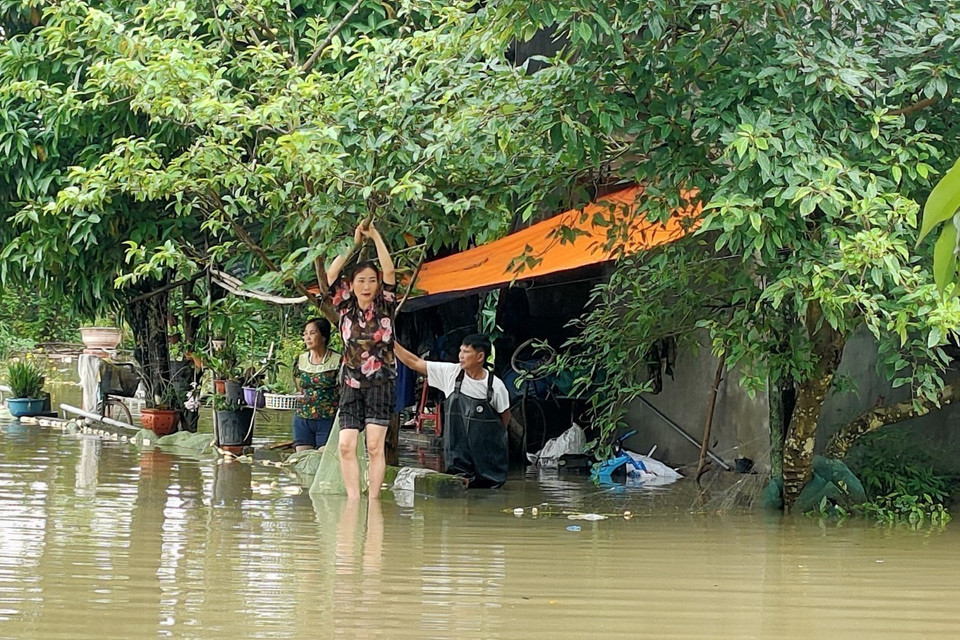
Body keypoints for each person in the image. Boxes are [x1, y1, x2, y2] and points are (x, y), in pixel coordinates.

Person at [325, 222, 397, 501]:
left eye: (371, 280)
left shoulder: (385, 304)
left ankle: (374, 502)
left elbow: (389, 271)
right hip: (351, 383)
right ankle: (354, 500)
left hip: (381, 382)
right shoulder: (344, 306)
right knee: (346, 445)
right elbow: (330, 275)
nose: (366, 286)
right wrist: (354, 244)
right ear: (352, 285)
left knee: (374, 446)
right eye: (360, 281)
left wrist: (375, 236)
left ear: (378, 285)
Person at [395, 334, 512, 488]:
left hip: (489, 470)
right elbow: (414, 362)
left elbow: (504, 420)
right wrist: (390, 342)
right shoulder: (450, 373)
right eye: (460, 351)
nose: (461, 356)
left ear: (480, 356)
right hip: (458, 469)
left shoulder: (496, 387)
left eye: (466, 352)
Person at [292, 318, 341, 452]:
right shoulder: (300, 360)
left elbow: (343, 390)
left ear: (323, 336)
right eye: (305, 333)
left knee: (324, 460)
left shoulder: (338, 360)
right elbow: (300, 387)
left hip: (327, 420)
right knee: (303, 460)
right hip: (302, 418)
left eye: (312, 333)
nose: (307, 337)